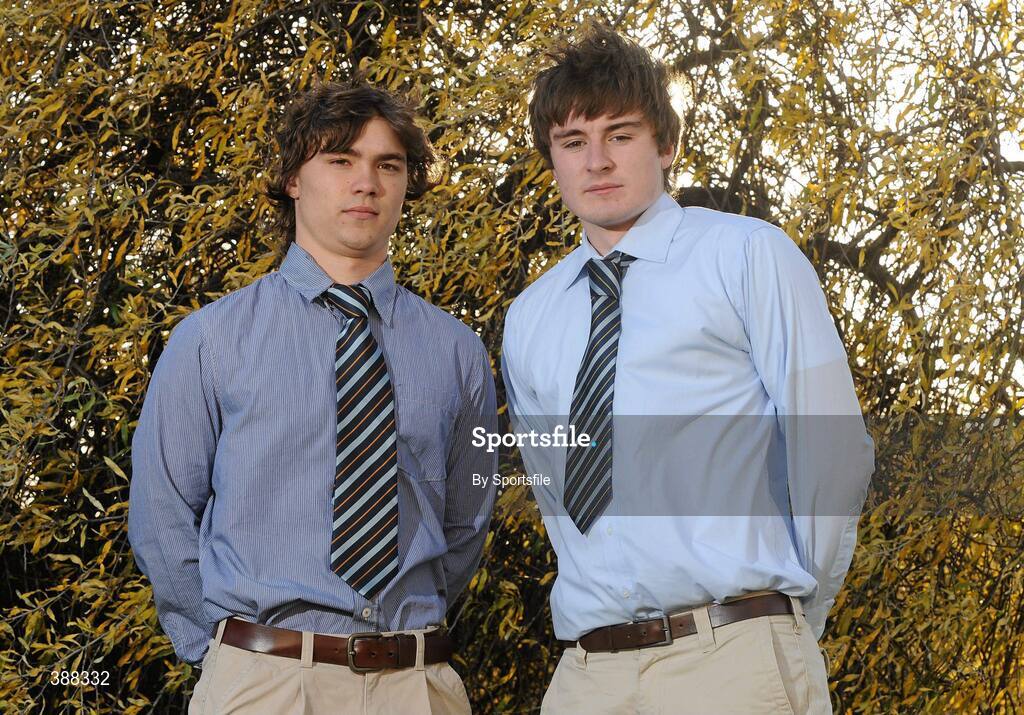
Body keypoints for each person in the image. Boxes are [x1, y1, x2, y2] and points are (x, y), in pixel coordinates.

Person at [501, 25, 874, 714]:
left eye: (621, 134)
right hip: (589, 673)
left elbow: (833, 451)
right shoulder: (531, 317)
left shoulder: (747, 256)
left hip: (733, 654)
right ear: (550, 159)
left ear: (665, 144)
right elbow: (557, 496)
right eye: (573, 143)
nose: (598, 162)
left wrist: (788, 619)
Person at [128, 79, 497, 714]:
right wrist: (220, 655)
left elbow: (465, 523)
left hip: (414, 685)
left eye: (388, 164)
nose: (367, 183)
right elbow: (162, 517)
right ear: (294, 179)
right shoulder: (211, 340)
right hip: (263, 680)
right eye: (341, 160)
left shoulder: (455, 349)